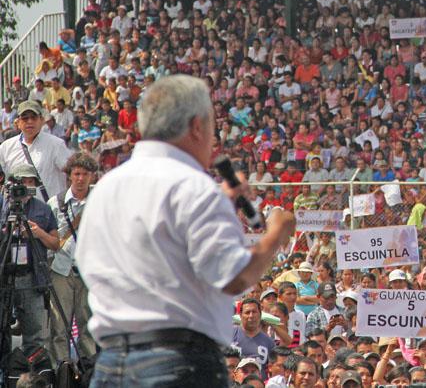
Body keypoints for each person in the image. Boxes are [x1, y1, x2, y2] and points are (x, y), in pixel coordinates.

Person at [75, 75, 296, 387]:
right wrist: (275, 235)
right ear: (196, 126)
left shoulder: (106, 187)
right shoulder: (195, 188)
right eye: (213, 127)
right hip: (179, 364)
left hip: (111, 363)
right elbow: (234, 276)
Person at [0, 164, 58, 356]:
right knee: (2, 332)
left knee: (34, 334)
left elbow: (55, 244)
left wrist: (38, 233)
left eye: (29, 181)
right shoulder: (3, 205)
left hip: (31, 277)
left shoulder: (43, 209)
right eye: (21, 182)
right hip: (4, 276)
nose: (24, 186)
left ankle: (32, 378)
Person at [47, 151, 98, 364]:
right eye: (76, 174)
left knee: (88, 325)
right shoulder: (56, 202)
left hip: (89, 271)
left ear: (92, 176)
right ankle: (62, 372)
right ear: (69, 176)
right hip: (61, 269)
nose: (80, 179)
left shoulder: (100, 201)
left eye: (85, 174)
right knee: (59, 327)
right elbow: (51, 239)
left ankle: (89, 370)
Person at [0, 99, 71, 199]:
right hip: (16, 210)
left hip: (48, 211)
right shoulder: (6, 147)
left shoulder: (56, 145)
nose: (30, 121)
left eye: (34, 118)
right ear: (18, 122)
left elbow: (72, 173)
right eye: (25, 118)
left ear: (41, 120)